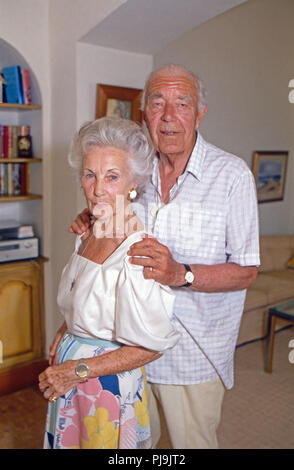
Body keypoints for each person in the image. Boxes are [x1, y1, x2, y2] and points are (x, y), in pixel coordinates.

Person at [69, 64, 260, 449]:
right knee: (137, 447)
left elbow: (246, 272)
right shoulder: (134, 169)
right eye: (157, 103)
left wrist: (180, 273)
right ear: (144, 112)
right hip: (128, 350)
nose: (168, 116)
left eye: (182, 104)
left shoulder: (232, 176)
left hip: (192, 355)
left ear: (200, 113)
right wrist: (92, 218)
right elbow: (114, 217)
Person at [38, 116, 181, 449]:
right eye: (90, 175)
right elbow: (89, 297)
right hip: (72, 382)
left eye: (112, 177)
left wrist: (77, 369)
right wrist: (68, 327)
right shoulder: (89, 232)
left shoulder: (139, 252)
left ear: (134, 182)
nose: (98, 188)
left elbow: (151, 347)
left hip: (106, 390)